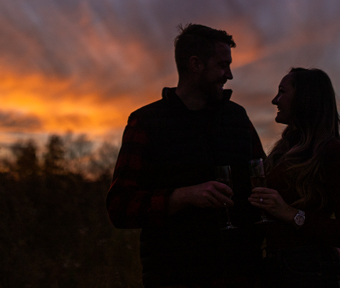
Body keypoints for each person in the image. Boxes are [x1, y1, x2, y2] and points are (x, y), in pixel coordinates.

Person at [106, 23, 266, 288]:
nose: (230, 75)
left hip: (243, 273)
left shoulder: (237, 118)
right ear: (195, 64)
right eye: (222, 65)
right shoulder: (146, 122)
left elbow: (263, 180)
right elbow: (119, 207)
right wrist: (181, 196)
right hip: (175, 276)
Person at [248, 68, 340, 287]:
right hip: (277, 268)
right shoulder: (283, 151)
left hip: (312, 271)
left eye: (282, 92)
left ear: (304, 98)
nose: (275, 100)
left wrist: (290, 213)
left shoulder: (332, 152)